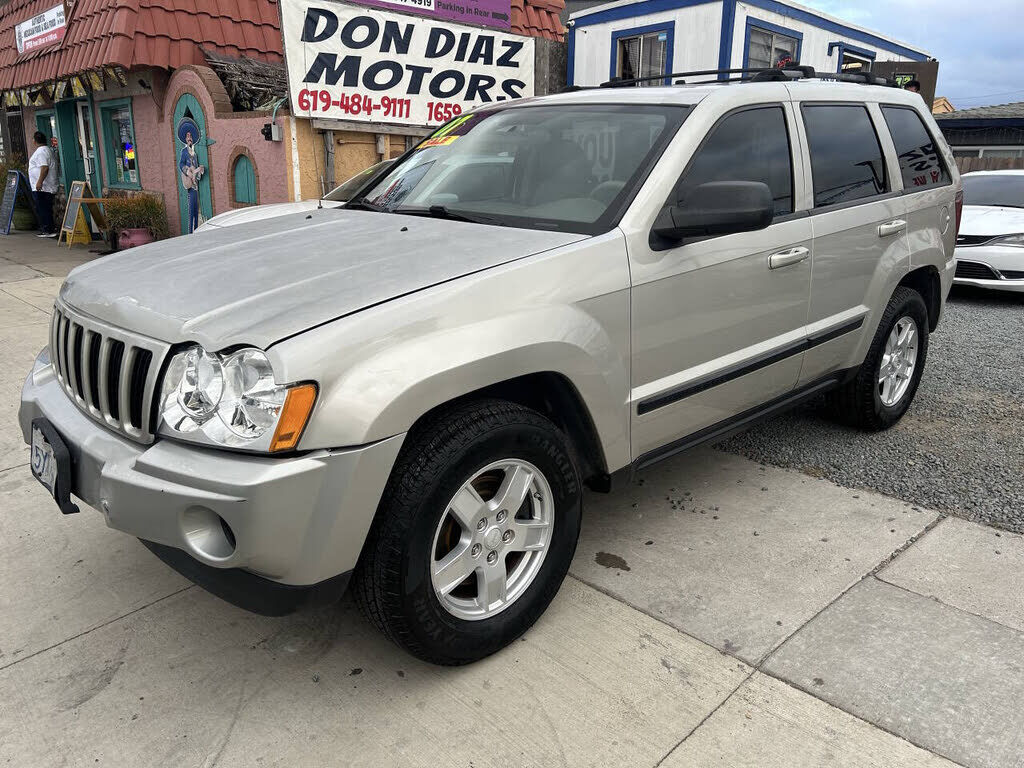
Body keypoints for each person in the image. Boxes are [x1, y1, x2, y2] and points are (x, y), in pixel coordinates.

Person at [177, 117, 206, 234]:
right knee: (191, 209)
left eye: (190, 136)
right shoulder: (184, 152)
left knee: (196, 208)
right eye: (187, 137)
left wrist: (200, 171)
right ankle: (190, 232)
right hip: (190, 183)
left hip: (196, 183)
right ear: (185, 139)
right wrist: (187, 171)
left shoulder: (195, 153)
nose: (189, 138)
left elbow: (197, 165)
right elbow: (181, 164)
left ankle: (195, 230)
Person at [28, 131, 58, 238]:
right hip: (45, 186)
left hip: (43, 187)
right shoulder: (47, 150)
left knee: (43, 208)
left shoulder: (41, 152)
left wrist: (39, 182)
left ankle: (47, 229)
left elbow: (44, 167)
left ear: (35, 141)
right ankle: (48, 228)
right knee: (45, 208)